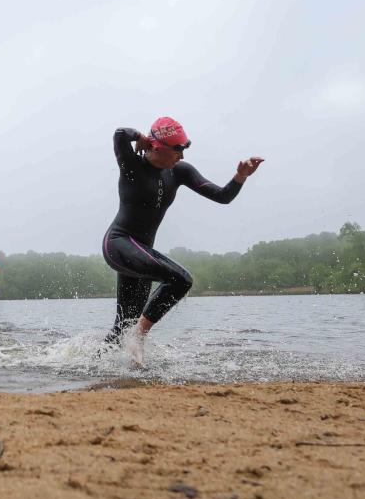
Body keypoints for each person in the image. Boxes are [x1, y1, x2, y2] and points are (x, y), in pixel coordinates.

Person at [102, 116, 263, 355]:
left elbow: (222, 196)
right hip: (119, 244)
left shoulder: (179, 171)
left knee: (123, 323)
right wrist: (141, 138)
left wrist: (240, 177)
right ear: (157, 147)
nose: (182, 156)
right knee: (181, 279)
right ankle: (140, 336)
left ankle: (94, 365)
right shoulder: (132, 165)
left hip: (142, 251)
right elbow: (119, 134)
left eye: (184, 149)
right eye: (177, 149)